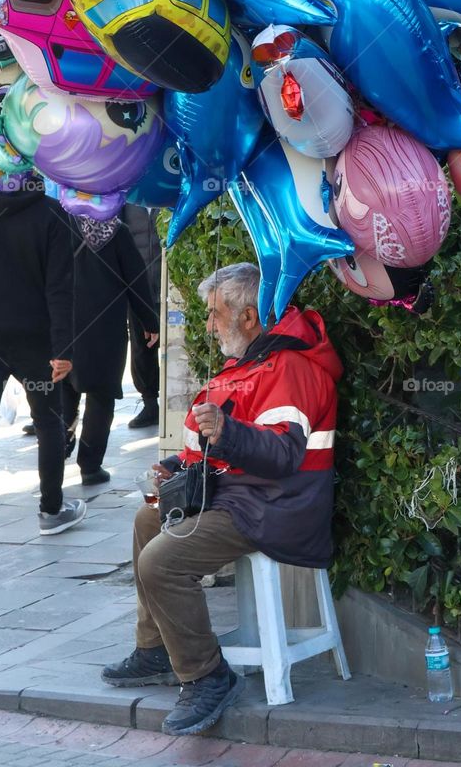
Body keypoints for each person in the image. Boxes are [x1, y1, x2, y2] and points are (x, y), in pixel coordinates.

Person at [102, 262, 342, 738]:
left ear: (249, 317)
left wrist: (227, 432)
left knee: (162, 561)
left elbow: (281, 456)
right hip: (242, 497)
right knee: (148, 519)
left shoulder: (289, 368)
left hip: (278, 507)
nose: (208, 325)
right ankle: (156, 650)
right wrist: (173, 471)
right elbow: (210, 449)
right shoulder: (247, 364)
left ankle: (207, 675)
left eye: (215, 315)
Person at [0, 170, 86, 562]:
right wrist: (64, 348)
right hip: (36, 339)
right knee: (47, 422)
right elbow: (60, 286)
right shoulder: (52, 211)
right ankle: (51, 509)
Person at [62, 213, 160, 485]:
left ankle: (58, 450)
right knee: (101, 395)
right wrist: (149, 320)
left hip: (61, 324)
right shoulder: (115, 230)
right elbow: (136, 278)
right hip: (105, 327)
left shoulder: (55, 224)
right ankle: (90, 467)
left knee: (63, 390)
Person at [123, 203, 162, 429]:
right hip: (137, 289)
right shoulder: (128, 202)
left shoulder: (169, 196)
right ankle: (150, 403)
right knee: (141, 346)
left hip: (170, 285)